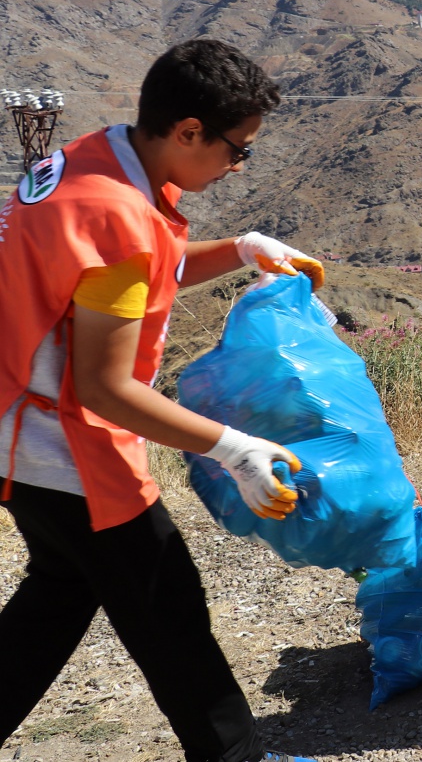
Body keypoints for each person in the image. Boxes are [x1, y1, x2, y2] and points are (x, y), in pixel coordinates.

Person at [0, 40, 325, 762]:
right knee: (168, 608)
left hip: (17, 433)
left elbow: (152, 268)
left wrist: (240, 249)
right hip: (68, 452)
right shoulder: (114, 215)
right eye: (237, 149)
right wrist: (234, 448)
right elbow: (105, 387)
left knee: (57, 594)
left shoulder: (98, 159)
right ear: (186, 131)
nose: (238, 165)